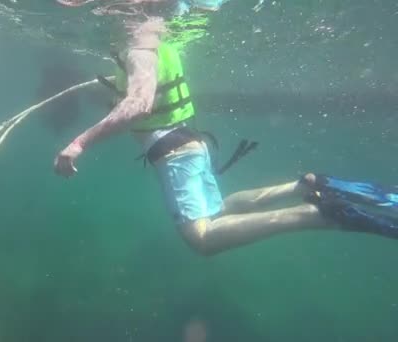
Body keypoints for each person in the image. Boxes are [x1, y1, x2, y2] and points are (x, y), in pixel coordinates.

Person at [53, 0, 398, 255]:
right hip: (188, 143)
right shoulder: (162, 44)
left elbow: (140, 105)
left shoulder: (138, 50)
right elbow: (150, 102)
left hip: (173, 153)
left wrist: (79, 143)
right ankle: (305, 185)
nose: (103, 18)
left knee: (202, 239)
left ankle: (316, 214)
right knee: (218, 212)